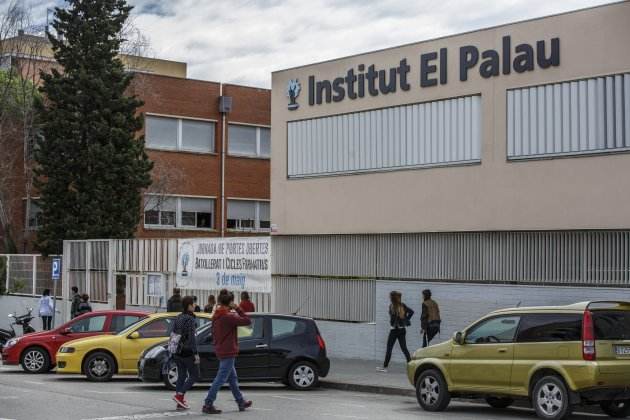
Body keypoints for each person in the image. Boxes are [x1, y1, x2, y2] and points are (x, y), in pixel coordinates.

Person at [202, 289, 253, 414]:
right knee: (221, 378)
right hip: (228, 350)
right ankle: (208, 403)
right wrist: (238, 308)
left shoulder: (217, 314)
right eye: (233, 302)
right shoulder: (229, 316)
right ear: (230, 302)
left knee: (232, 378)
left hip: (221, 349)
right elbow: (247, 320)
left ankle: (241, 401)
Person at [171, 296, 200, 410]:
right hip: (187, 351)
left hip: (177, 351)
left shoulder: (179, 317)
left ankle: (180, 402)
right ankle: (180, 395)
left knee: (181, 375)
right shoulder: (190, 319)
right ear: (188, 306)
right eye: (193, 304)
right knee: (194, 375)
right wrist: (196, 353)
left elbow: (173, 333)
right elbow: (192, 338)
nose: (194, 306)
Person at [377, 291, 414, 372]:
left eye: (390, 296)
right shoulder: (402, 305)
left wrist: (402, 319)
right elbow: (411, 312)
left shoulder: (392, 306)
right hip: (402, 330)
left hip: (394, 330)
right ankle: (411, 366)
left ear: (392, 298)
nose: (389, 297)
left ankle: (385, 367)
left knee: (389, 348)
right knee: (404, 348)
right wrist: (406, 320)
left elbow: (394, 319)